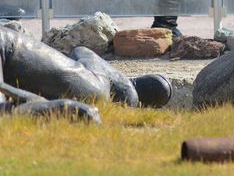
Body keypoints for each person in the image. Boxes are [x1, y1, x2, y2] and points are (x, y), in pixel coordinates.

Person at [0, 25, 172, 118]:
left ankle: (130, 91)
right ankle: (130, 90)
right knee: (81, 53)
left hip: (96, 88)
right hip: (94, 87)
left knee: (83, 54)